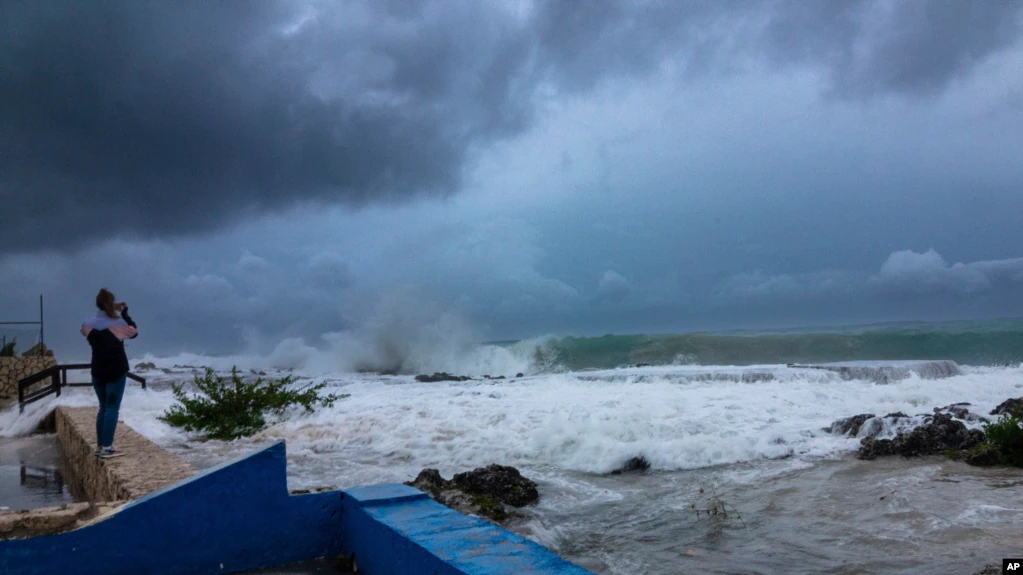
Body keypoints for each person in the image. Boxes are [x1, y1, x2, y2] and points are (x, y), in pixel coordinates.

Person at [80, 289, 138, 458]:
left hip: (97, 370)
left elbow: (83, 331)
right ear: (110, 304)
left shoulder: (87, 323)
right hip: (116, 370)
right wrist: (124, 312)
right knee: (112, 408)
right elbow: (134, 332)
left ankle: (100, 446)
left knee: (103, 408)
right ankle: (107, 447)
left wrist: (109, 309)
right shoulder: (118, 324)